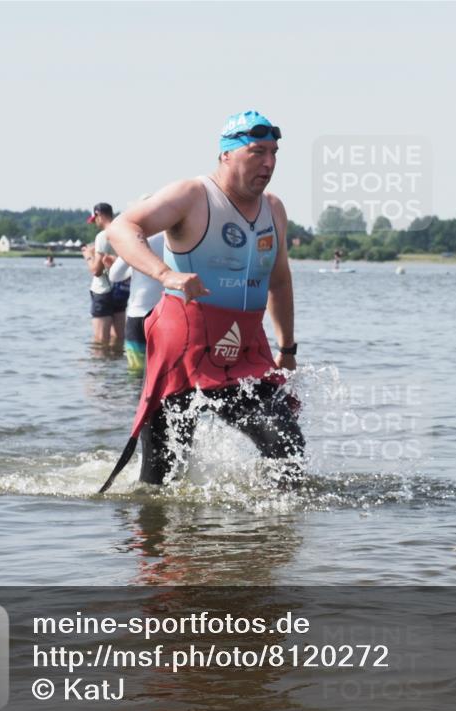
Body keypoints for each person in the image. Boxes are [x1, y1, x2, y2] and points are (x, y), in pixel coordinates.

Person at [98, 110, 303, 492]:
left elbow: (279, 279)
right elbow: (122, 228)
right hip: (183, 348)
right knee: (160, 479)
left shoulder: (273, 209)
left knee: (286, 444)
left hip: (243, 349)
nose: (270, 163)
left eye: (274, 153)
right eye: (258, 152)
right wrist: (165, 274)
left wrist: (287, 347)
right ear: (226, 154)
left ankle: (272, 544)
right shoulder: (193, 195)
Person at [107, 196, 165, 375]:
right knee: (161, 372)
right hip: (163, 314)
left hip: (138, 314)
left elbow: (115, 275)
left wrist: (133, 267)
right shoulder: (171, 236)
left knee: (136, 373)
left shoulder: (136, 239)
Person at [82, 202, 120, 346]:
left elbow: (96, 271)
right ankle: (115, 367)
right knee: (117, 339)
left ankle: (101, 368)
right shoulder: (121, 231)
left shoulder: (102, 236)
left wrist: (88, 255)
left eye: (95, 219)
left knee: (100, 342)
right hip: (120, 290)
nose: (95, 223)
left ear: (99, 215)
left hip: (103, 291)